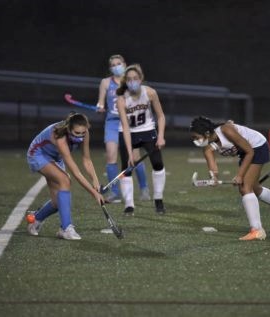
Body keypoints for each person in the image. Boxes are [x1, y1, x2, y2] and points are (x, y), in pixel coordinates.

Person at [190, 116, 270, 241]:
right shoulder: (209, 147)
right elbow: (212, 166)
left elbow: (250, 152)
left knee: (245, 188)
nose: (195, 141)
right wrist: (213, 177)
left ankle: (257, 230)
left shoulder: (226, 131)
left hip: (257, 147)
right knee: (255, 188)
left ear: (207, 133)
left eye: (196, 137)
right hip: (246, 152)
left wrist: (240, 175)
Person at [26, 112, 104, 240]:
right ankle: (66, 228)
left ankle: (36, 219)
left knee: (57, 203)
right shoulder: (60, 136)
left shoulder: (85, 133)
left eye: (83, 133)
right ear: (68, 129)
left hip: (55, 157)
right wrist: (94, 193)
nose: (80, 137)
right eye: (76, 133)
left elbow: (87, 160)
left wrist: (96, 182)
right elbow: (76, 173)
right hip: (38, 154)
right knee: (65, 180)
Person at [97, 54, 151, 203]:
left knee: (134, 157)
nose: (116, 67)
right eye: (113, 65)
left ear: (124, 64)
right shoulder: (105, 83)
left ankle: (144, 188)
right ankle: (115, 193)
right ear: (110, 68)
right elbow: (101, 103)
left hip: (129, 122)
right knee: (111, 156)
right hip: (113, 123)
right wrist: (100, 107)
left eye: (118, 63)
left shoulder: (130, 82)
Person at [116, 64, 167, 216]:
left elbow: (161, 116)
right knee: (127, 168)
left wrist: (161, 136)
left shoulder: (150, 92)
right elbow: (125, 127)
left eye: (135, 78)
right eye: (129, 79)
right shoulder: (121, 99)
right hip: (128, 133)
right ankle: (129, 205)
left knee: (158, 163)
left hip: (147, 130)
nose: (132, 81)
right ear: (126, 81)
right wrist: (131, 153)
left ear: (141, 78)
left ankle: (158, 199)